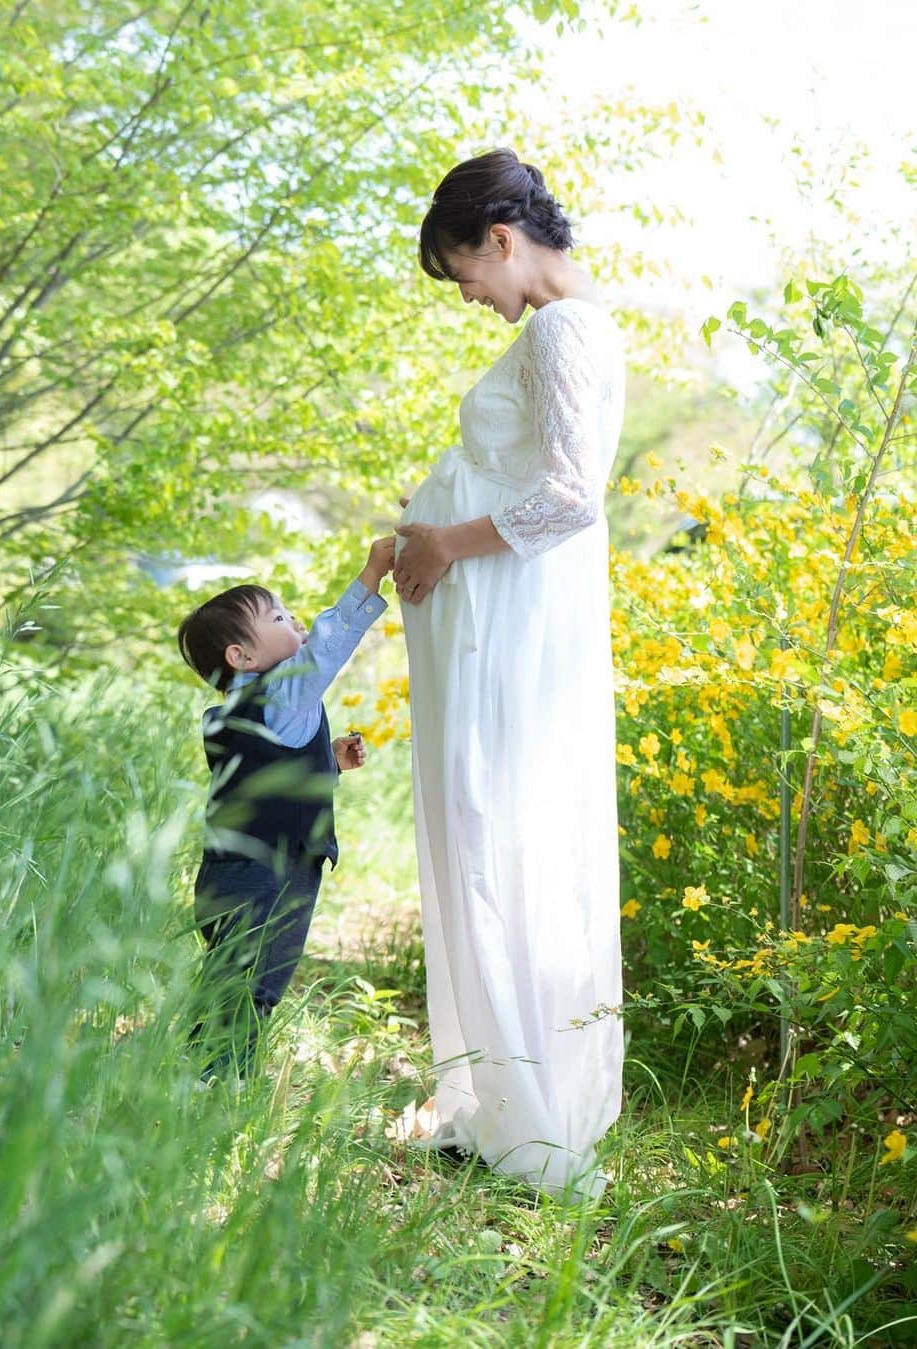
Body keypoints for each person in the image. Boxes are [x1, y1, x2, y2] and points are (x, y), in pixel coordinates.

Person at [391, 148, 625, 1197]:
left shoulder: (564, 327)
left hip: (510, 629)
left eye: (466, 274)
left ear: (500, 238)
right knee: (490, 831)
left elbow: (571, 496)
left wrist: (442, 544)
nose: (471, 298)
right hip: (498, 622)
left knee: (499, 830)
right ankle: (497, 1094)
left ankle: (528, 1110)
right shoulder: (564, 325)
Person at [177, 537, 395, 1081]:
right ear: (243, 657)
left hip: (226, 873)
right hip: (273, 873)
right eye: (277, 615)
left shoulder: (229, 713)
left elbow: (262, 778)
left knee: (230, 975)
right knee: (256, 984)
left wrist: (327, 760)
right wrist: (372, 573)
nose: (293, 618)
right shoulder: (284, 693)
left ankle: (197, 1070)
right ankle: (218, 1083)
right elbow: (328, 644)